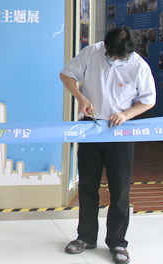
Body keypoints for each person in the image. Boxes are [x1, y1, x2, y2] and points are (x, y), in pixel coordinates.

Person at [59, 26, 156, 264]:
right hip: (91, 129)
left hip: (120, 134)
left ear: (130, 52)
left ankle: (118, 242)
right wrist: (81, 98)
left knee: (120, 190)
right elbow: (66, 75)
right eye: (110, 54)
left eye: (119, 56)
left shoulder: (139, 66)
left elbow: (148, 100)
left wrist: (126, 114)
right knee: (87, 186)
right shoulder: (92, 52)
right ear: (105, 46)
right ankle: (86, 237)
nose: (113, 58)